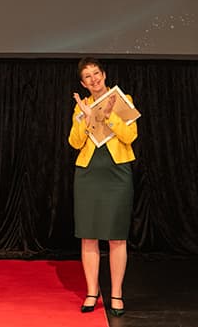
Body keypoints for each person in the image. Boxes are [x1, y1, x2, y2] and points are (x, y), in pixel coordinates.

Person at [67, 57, 137, 317]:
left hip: (117, 173)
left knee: (117, 236)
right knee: (89, 235)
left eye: (96, 73)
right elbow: (74, 143)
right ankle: (91, 292)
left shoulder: (123, 99)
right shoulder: (80, 107)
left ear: (104, 75)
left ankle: (116, 294)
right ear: (83, 83)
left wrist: (108, 117)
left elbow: (131, 136)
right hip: (88, 174)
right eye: (88, 76)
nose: (94, 79)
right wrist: (85, 120)